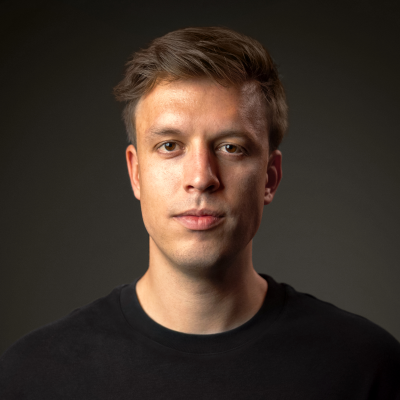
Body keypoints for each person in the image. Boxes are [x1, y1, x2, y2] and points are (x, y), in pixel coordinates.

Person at [1, 26, 399, 399]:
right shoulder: (34, 375)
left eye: (230, 147)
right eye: (170, 146)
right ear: (136, 173)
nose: (201, 178)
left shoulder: (367, 369)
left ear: (270, 178)